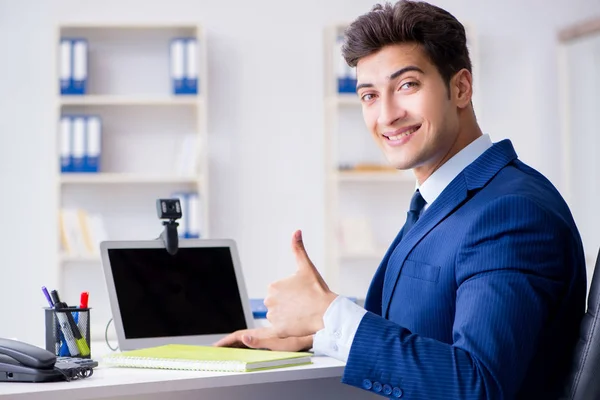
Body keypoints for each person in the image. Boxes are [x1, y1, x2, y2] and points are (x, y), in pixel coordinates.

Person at [216, 1, 587, 398]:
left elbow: (479, 385)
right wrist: (319, 333)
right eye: (370, 95)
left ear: (460, 88)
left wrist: (331, 314)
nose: (387, 115)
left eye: (407, 85)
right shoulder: (439, 200)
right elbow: (422, 336)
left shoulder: (511, 212)